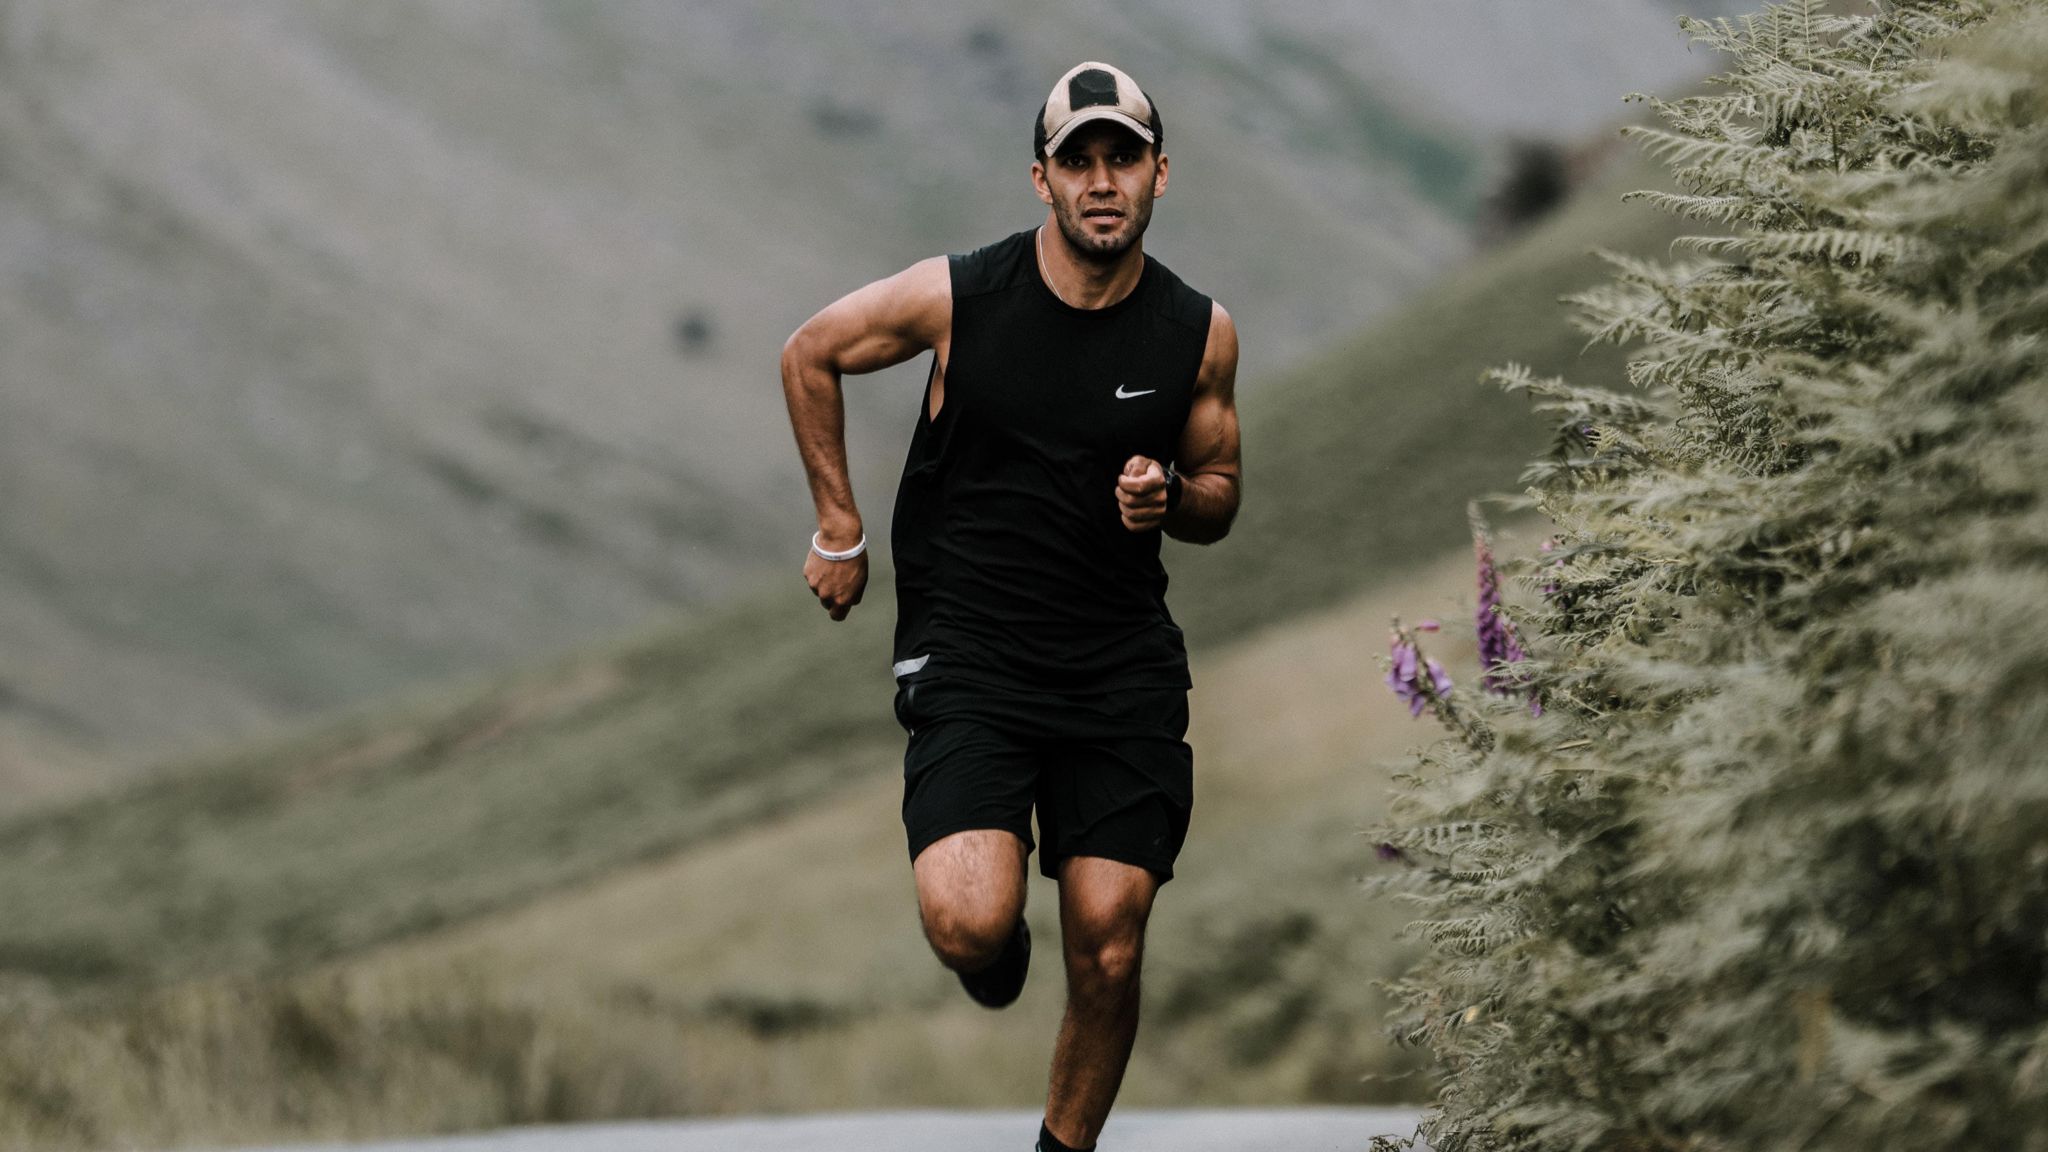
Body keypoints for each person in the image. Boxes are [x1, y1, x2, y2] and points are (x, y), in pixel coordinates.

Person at [778, 60, 1241, 1152]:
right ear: (1039, 179)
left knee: (1110, 937)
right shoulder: (960, 297)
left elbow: (1220, 494)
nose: (1099, 181)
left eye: (1119, 158)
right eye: (1075, 160)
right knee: (967, 921)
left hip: (1117, 663)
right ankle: (994, 956)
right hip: (972, 656)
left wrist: (1170, 497)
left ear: (1157, 176)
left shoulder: (1196, 333)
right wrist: (837, 529)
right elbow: (811, 353)